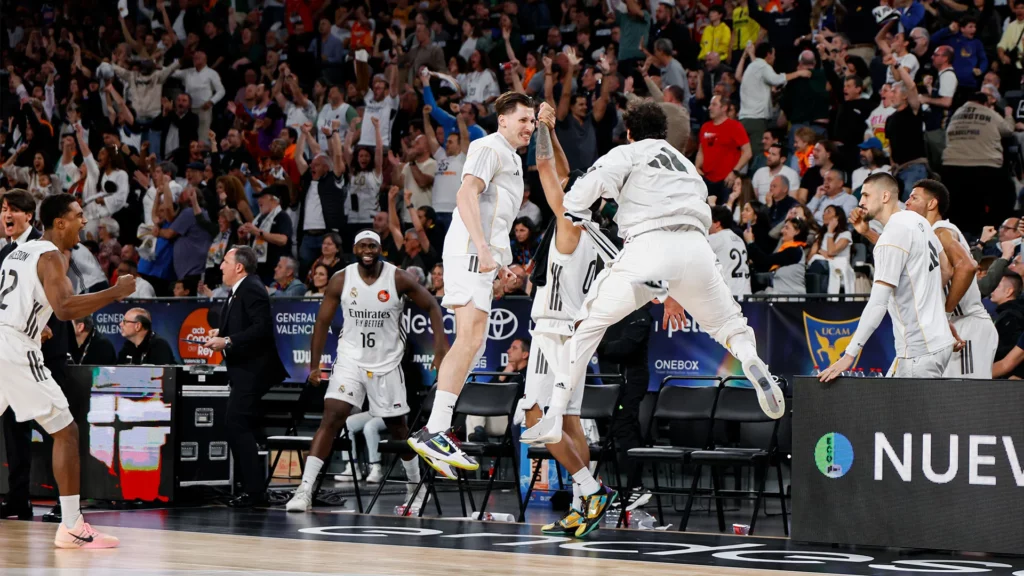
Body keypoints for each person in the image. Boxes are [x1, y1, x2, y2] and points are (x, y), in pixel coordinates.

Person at [523, 102, 784, 534]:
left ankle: (555, 416)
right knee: (729, 325)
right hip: (696, 249)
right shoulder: (684, 163)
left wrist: (549, 135)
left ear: (629, 132)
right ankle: (752, 359)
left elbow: (568, 194)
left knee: (586, 328)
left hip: (641, 252)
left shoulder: (619, 163)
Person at [406, 92, 535, 475]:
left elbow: (493, 213)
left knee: (473, 343)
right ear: (503, 121)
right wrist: (481, 247)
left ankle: (437, 428)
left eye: (532, 121)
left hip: (479, 257)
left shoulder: (512, 157)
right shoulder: (487, 146)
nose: (530, 127)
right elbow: (465, 193)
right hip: (467, 252)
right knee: (470, 340)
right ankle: (435, 429)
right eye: (523, 120)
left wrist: (498, 261)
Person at [0, 193, 135, 547]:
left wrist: (36, 323)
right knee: (67, 431)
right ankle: (72, 525)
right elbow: (65, 309)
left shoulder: (16, 252)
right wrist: (114, 291)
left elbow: (21, 303)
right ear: (60, 222)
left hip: (4, 340)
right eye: (78, 216)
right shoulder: (48, 254)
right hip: (15, 349)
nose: (83, 222)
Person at [286, 231, 449, 512]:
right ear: (354, 249)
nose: (368, 250)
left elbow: (432, 306)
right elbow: (322, 322)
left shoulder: (397, 277)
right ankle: (305, 490)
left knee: (398, 427)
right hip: (350, 360)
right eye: (362, 245)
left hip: (386, 363)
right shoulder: (341, 278)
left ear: (380, 249)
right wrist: (314, 365)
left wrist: (440, 349)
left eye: (373, 245)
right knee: (333, 416)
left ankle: (416, 488)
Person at [512, 104, 604, 538]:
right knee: (569, 421)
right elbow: (562, 171)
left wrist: (543, 125)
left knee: (535, 417)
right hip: (575, 331)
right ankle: (585, 507)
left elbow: (546, 165)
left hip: (553, 331)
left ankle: (590, 488)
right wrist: (550, 127)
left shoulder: (571, 223)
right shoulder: (595, 229)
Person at [819, 174, 961, 381]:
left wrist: (849, 355)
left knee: (905, 413)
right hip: (937, 343)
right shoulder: (919, 222)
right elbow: (946, 270)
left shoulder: (892, 235)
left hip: (918, 349)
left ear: (885, 196)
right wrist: (939, 319)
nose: (860, 202)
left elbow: (878, 303)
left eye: (866, 195)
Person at [205, 246, 290, 507]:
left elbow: (262, 328)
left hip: (253, 370)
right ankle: (251, 488)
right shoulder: (240, 289)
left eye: (225, 261)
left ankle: (254, 492)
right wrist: (221, 333)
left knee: (236, 424)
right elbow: (246, 323)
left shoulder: (251, 287)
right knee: (237, 425)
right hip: (243, 370)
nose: (220, 266)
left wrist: (227, 340)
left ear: (239, 267)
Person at [904, 180, 998, 378]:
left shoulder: (941, 230)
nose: (907, 202)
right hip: (954, 326)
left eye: (914, 197)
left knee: (968, 400)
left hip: (967, 323)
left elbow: (968, 266)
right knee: (949, 400)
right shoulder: (927, 236)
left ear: (932, 204)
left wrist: (945, 314)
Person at [709, 206, 750, 297]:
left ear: (717, 224)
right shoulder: (740, 239)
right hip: (745, 295)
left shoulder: (716, 238)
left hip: (729, 296)